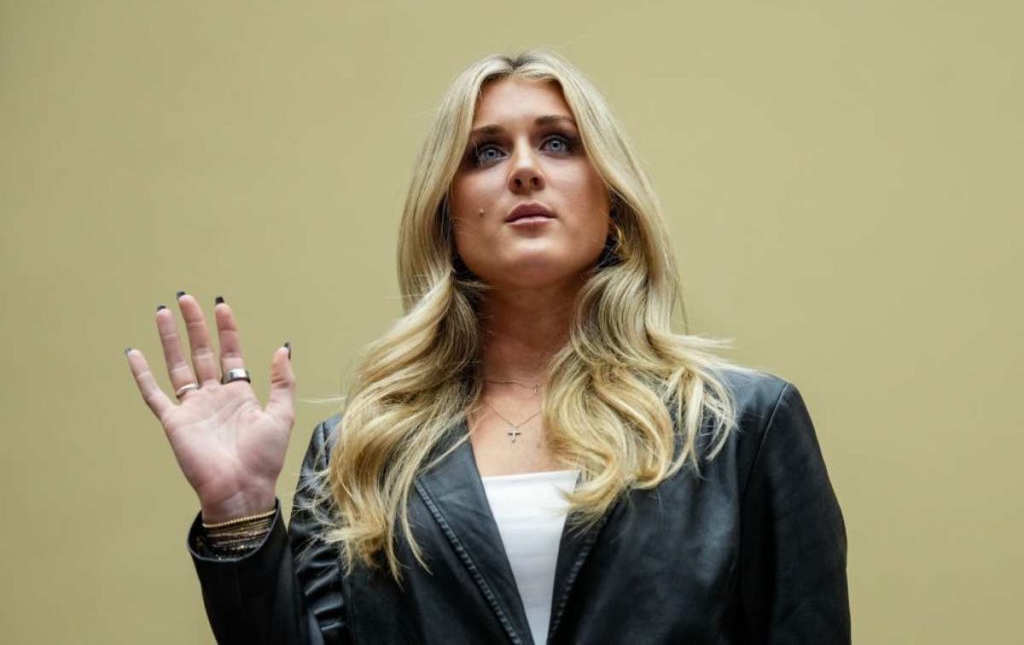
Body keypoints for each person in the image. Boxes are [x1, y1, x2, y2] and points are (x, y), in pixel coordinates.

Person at [125, 50, 850, 644]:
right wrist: (241, 514)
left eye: (558, 143)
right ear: (447, 216)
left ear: (613, 201)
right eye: (486, 152)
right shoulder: (361, 452)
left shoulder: (741, 425)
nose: (524, 169)